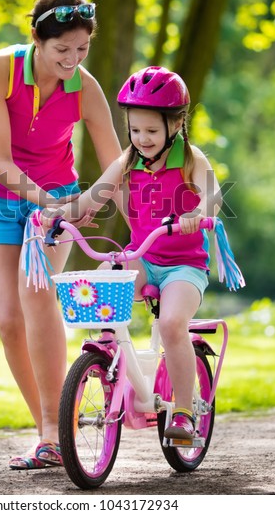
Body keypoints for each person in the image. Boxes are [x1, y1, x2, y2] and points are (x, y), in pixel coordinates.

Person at [0, 0, 122, 469]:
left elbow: (118, 160)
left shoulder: (85, 88)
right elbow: (1, 161)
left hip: (52, 202)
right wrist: (57, 205)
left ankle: (54, 434)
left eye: (82, 50)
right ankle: (49, 428)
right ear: (36, 39)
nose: (73, 60)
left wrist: (104, 205)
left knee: (36, 296)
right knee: (9, 319)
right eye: (62, 50)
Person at [41, 66, 222, 440]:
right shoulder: (127, 162)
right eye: (136, 130)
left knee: (172, 324)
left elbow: (214, 198)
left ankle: (185, 413)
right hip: (142, 256)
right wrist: (57, 215)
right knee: (105, 284)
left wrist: (197, 215)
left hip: (184, 267)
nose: (143, 139)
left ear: (176, 124)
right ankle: (108, 360)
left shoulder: (192, 159)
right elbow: (93, 197)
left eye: (152, 131)